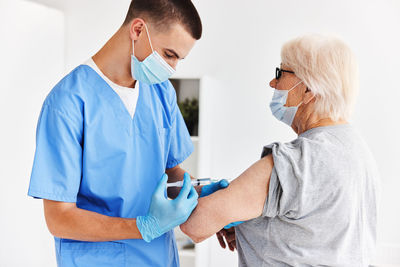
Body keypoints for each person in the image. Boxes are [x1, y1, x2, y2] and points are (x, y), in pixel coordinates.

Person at [27, 0, 227, 266]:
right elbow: (59, 218)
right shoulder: (68, 102)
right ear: (137, 30)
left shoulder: (161, 92)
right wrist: (143, 227)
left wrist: (207, 198)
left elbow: (172, 173)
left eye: (180, 58)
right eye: (169, 55)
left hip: (159, 258)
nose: (173, 68)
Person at [180, 34, 379, 266]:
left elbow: (196, 224)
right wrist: (251, 229)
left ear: (308, 89)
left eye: (281, 73)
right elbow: (319, 236)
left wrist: (208, 205)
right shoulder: (358, 151)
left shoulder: (297, 160)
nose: (272, 83)